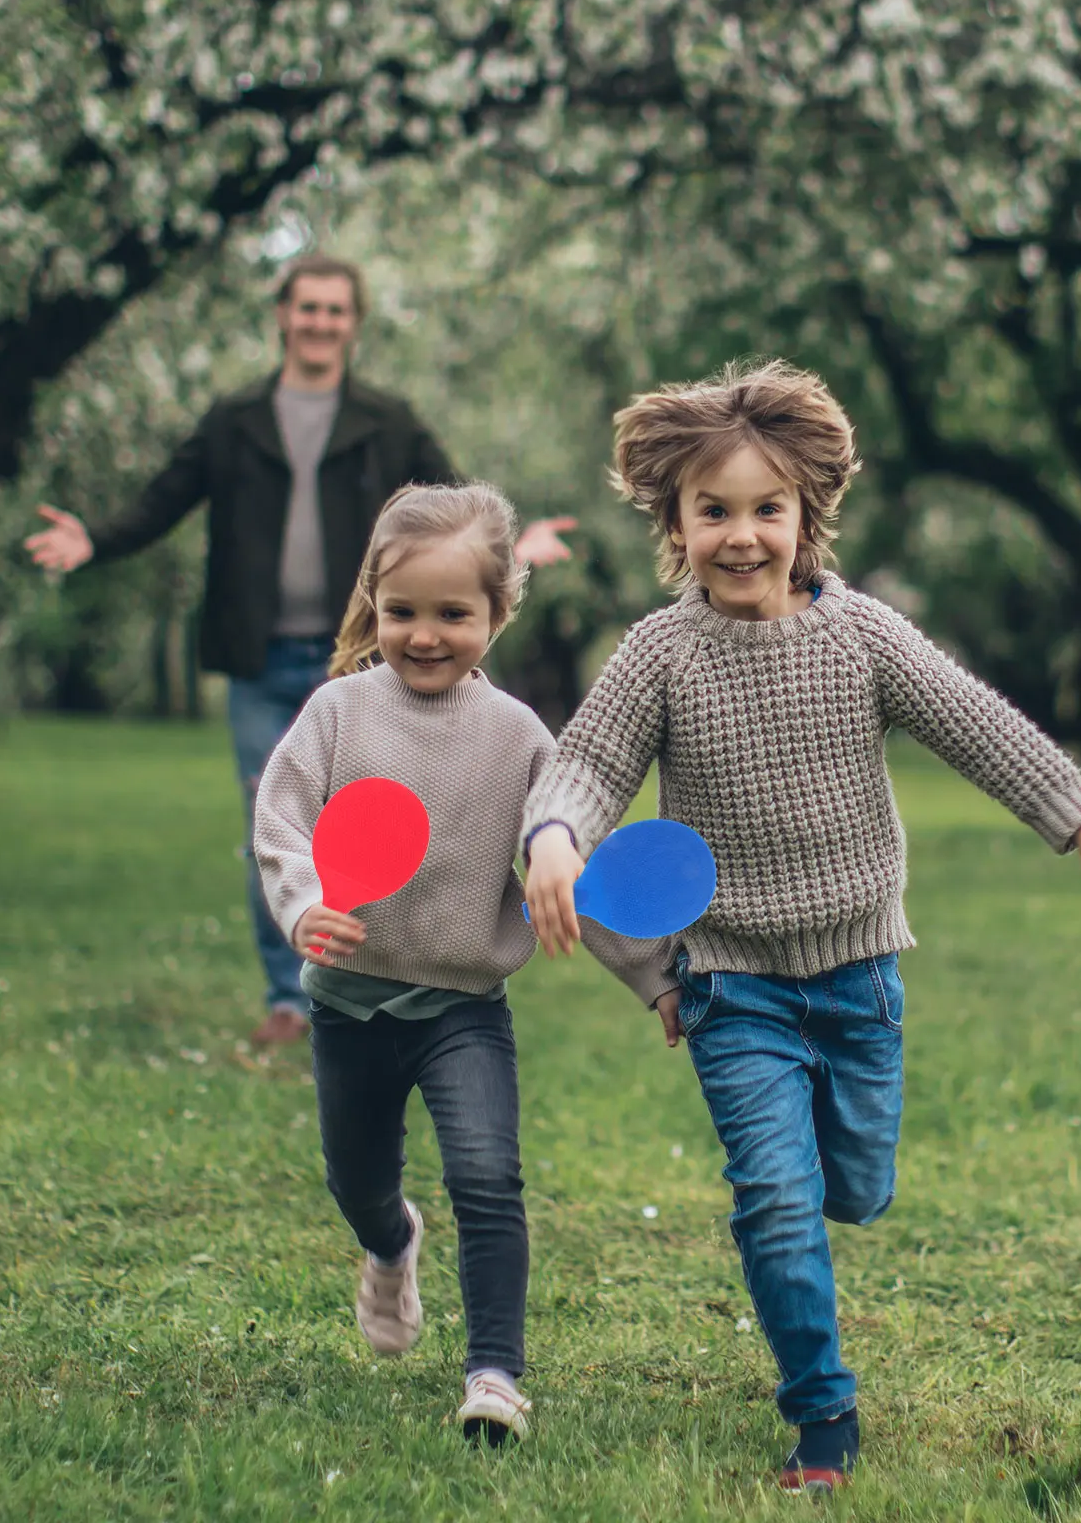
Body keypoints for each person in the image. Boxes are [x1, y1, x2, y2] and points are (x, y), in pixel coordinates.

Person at [521, 360, 1081, 1493]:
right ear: (676, 524)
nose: (741, 535)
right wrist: (552, 833)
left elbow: (981, 728)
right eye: (714, 510)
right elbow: (586, 762)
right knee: (775, 1197)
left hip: (859, 972)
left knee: (856, 1187)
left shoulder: (862, 636)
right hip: (731, 980)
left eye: (766, 509)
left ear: (806, 514)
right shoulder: (658, 653)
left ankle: (828, 1193)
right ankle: (822, 1412)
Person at [23, 254, 575, 1045]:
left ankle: (380, 981)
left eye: (335, 310)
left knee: (371, 822)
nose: (320, 322)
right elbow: (164, 498)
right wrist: (94, 540)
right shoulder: (234, 418)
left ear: (354, 324)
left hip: (366, 655)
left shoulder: (386, 419)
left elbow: (458, 509)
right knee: (273, 816)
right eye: (307, 307)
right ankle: (292, 997)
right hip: (260, 656)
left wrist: (516, 551)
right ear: (283, 315)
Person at [252, 481, 673, 1444]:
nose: (426, 635)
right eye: (402, 611)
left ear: (498, 612)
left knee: (487, 1176)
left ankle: (495, 1375)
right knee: (358, 1185)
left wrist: (653, 977)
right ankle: (392, 1243)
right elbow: (281, 820)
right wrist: (304, 904)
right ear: (374, 603)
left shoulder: (518, 737)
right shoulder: (337, 714)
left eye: (454, 614)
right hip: (348, 1003)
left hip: (462, 1007)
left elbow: (567, 875)